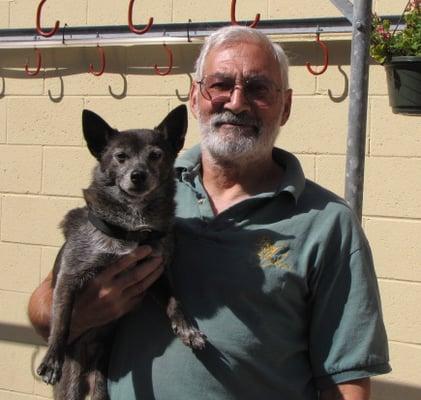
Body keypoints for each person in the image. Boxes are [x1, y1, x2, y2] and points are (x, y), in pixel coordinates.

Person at [28, 26, 390, 400]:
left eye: (258, 88)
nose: (237, 102)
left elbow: (345, 382)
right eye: (220, 85)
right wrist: (86, 313)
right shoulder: (138, 198)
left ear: (286, 106)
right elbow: (41, 309)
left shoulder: (328, 223)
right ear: (195, 98)